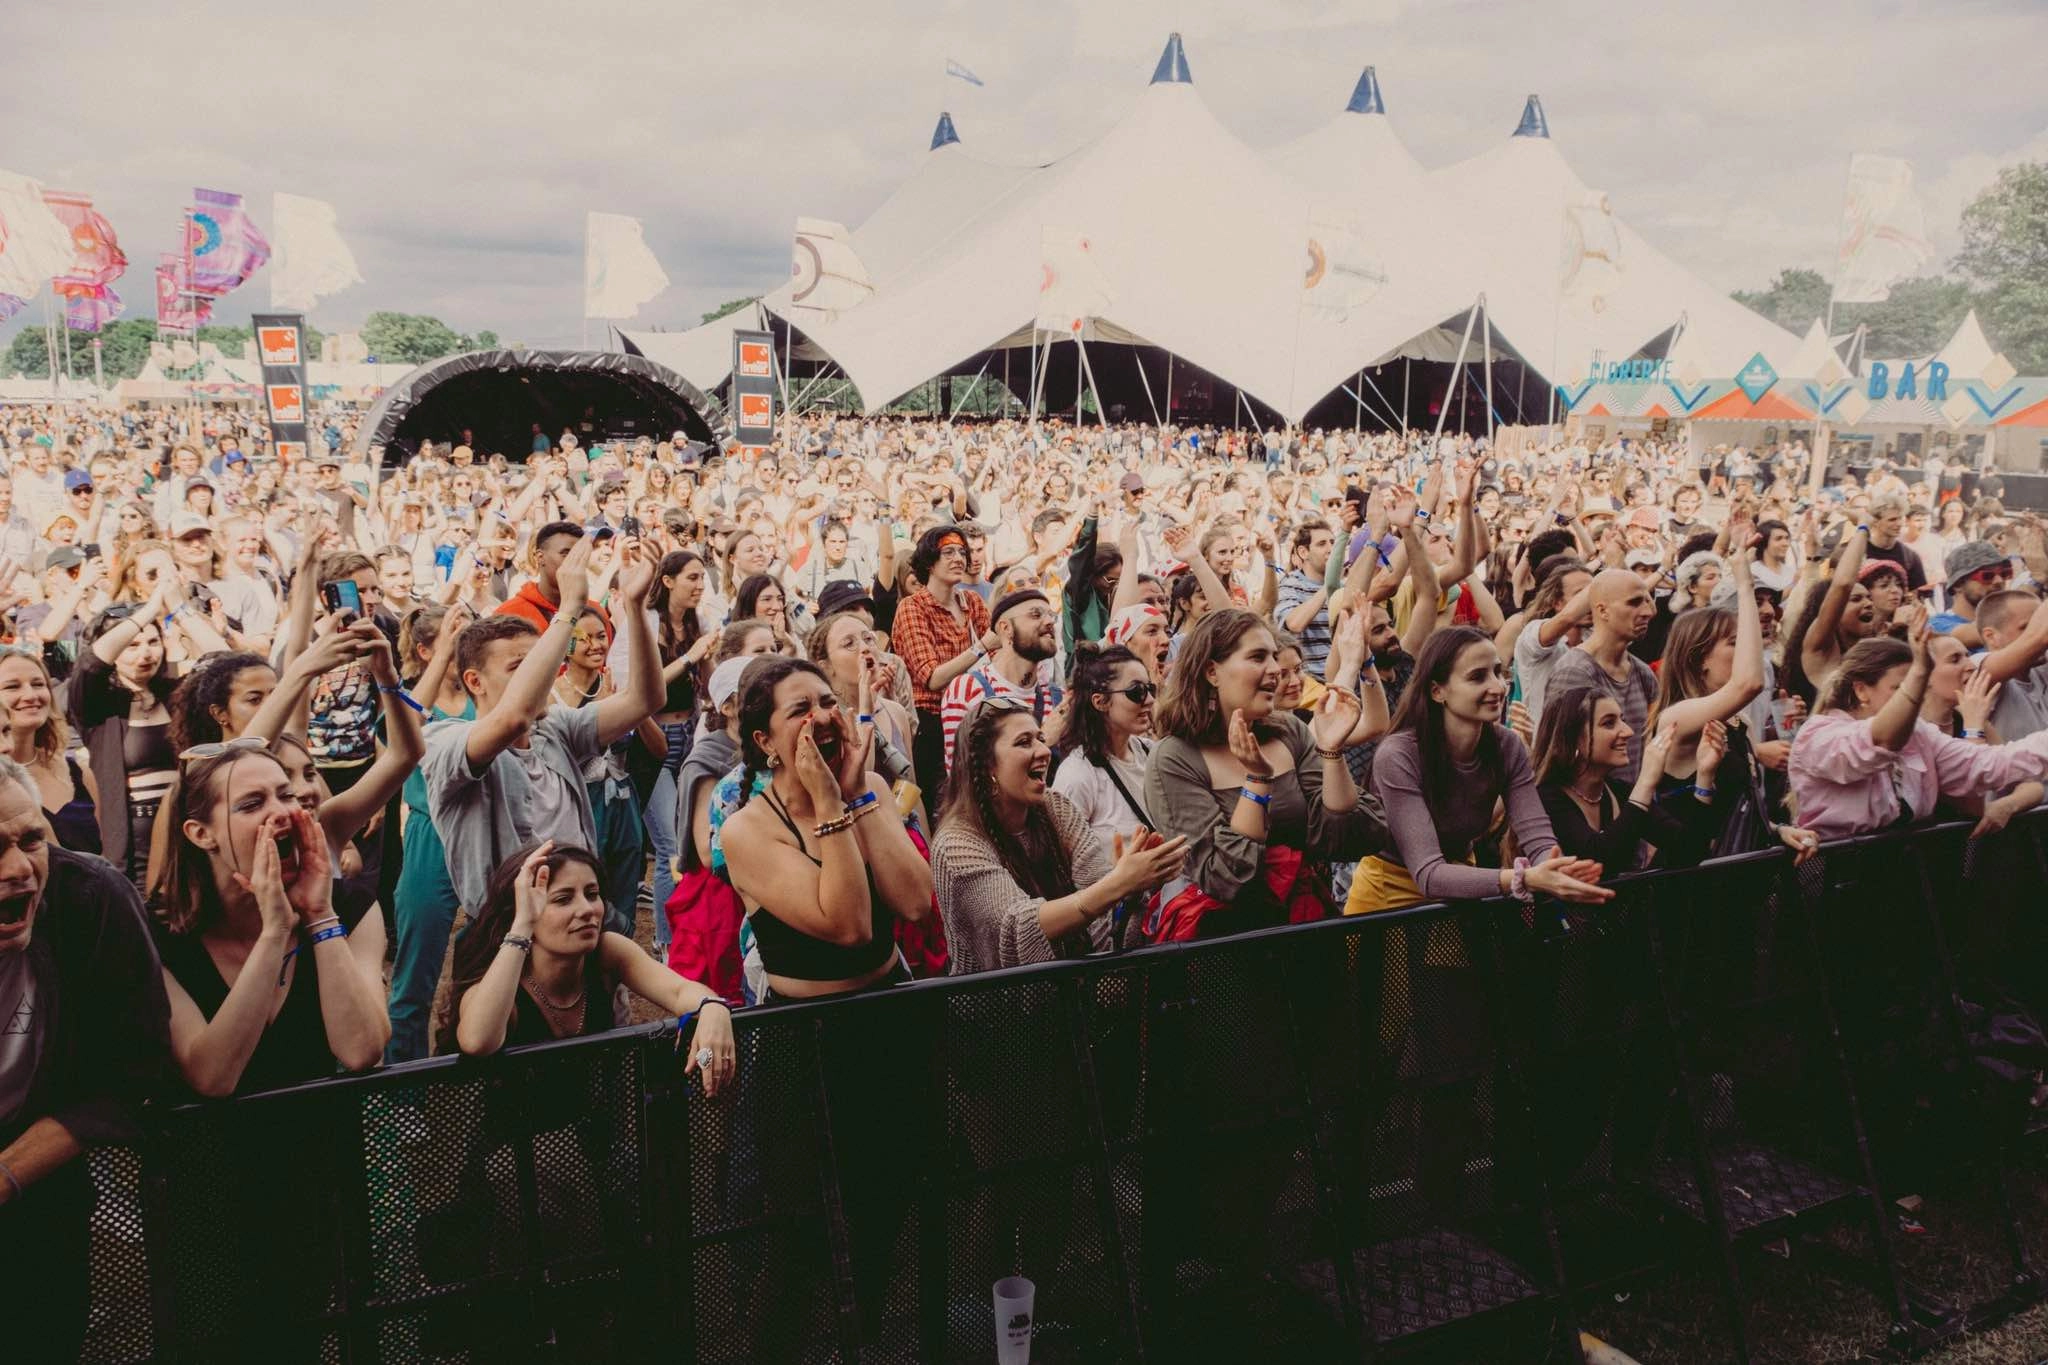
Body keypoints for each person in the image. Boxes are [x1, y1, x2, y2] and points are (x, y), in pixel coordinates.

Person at [0, 754, 169, 1362]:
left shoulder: (91, 897)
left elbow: (133, 1072)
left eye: (30, 840)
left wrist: (7, 1174)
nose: (19, 869)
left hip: (41, 1191)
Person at [423, 536, 664, 919]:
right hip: (507, 932)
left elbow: (645, 701)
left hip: (582, 914)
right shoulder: (443, 740)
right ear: (474, 681)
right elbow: (514, 714)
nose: (542, 675)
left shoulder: (554, 728)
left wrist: (633, 609)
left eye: (543, 661)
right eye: (521, 667)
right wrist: (568, 608)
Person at [155, 742, 390, 1095]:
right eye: (252, 804)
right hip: (207, 1146)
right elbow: (213, 1078)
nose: (282, 812)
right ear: (201, 834)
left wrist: (319, 915)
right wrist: (275, 931)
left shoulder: (350, 906)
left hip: (325, 1142)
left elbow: (362, 1052)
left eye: (287, 795)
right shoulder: (157, 934)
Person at [1144, 608, 1380, 939]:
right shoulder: (1174, 757)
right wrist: (1257, 782)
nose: (1275, 669)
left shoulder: (1288, 729)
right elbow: (1223, 877)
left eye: (1273, 657)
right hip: (1226, 945)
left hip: (1306, 929)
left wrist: (1331, 751)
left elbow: (1344, 834)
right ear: (1212, 671)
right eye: (1257, 657)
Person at [1346, 625, 1611, 913]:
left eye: (1498, 672)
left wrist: (1556, 869)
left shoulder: (1508, 746)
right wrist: (1526, 878)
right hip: (1389, 894)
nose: (1497, 687)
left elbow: (1536, 834)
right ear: (1437, 691)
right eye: (1477, 677)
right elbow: (1429, 874)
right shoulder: (1399, 754)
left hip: (1462, 881)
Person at [718, 657, 934, 1000]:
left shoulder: (871, 789)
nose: (821, 718)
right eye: (800, 709)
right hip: (808, 1027)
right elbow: (851, 928)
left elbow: (916, 904)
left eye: (828, 702)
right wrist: (829, 804)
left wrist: (859, 795)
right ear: (766, 742)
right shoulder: (747, 831)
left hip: (896, 998)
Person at [447, 840, 734, 1092]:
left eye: (592, 893)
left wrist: (711, 1006)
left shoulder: (608, 952)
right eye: (563, 899)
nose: (587, 909)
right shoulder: (501, 982)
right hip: (514, 1148)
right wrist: (523, 925)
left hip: (596, 1143)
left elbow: (678, 990)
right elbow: (477, 1041)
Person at [934, 697, 1186, 973]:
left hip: (1072, 997)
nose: (1043, 751)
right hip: (999, 1007)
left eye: (1041, 739)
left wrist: (1132, 888)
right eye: (1024, 742)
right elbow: (1017, 926)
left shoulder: (1055, 807)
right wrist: (1119, 883)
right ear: (986, 765)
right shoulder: (956, 843)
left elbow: (1097, 894)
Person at [1790, 622, 2048, 839]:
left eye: (1918, 689)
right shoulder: (1819, 734)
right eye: (1901, 689)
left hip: (1909, 879)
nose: (1913, 701)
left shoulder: (1920, 733)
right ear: (1861, 690)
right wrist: (1920, 672)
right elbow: (1875, 743)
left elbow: (1988, 765)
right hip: (1838, 882)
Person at [71, 600, 182, 888]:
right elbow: (90, 664)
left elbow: (225, 662)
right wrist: (148, 608)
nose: (145, 653)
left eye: (153, 642)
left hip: (182, 830)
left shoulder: (175, 695)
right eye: (131, 645)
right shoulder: (97, 703)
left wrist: (179, 605)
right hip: (132, 841)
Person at [1532, 687, 1691, 873]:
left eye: (1622, 720)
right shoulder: (1545, 798)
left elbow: (1686, 850)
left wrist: (1705, 779)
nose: (1628, 731)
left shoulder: (1619, 792)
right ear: (1573, 737)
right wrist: (1646, 782)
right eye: (1609, 723)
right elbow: (1598, 860)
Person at [665, 656, 750, 1001]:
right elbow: (705, 847)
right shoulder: (710, 755)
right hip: (719, 895)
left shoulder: (761, 746)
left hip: (753, 883)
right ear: (728, 705)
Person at [890, 525, 993, 804]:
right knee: (940, 804)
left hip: (974, 716)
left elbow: (994, 660)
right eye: (948, 551)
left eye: (962, 552)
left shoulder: (972, 602)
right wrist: (981, 647)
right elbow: (932, 677)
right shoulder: (913, 607)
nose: (958, 558)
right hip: (932, 723)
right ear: (929, 560)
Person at [1544, 569, 1660, 784]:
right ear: (1602, 610)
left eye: (1648, 600)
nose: (1648, 611)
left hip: (1635, 805)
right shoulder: (1575, 672)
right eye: (1634, 603)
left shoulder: (1643, 672)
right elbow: (1561, 755)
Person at [1051, 643, 1160, 855]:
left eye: (1150, 688)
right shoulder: (1077, 776)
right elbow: (1061, 861)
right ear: (1100, 702)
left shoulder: (1152, 753)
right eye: (1136, 691)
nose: (1149, 700)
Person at [938, 587, 1064, 771]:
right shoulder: (967, 689)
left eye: (1050, 615)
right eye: (1035, 615)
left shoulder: (1056, 698)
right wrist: (1044, 738)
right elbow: (961, 775)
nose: (1049, 621)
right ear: (1006, 628)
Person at [0, 648, 96, 853]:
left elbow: (103, 862)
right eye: (12, 687)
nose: (30, 695)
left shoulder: (80, 773)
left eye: (38, 684)